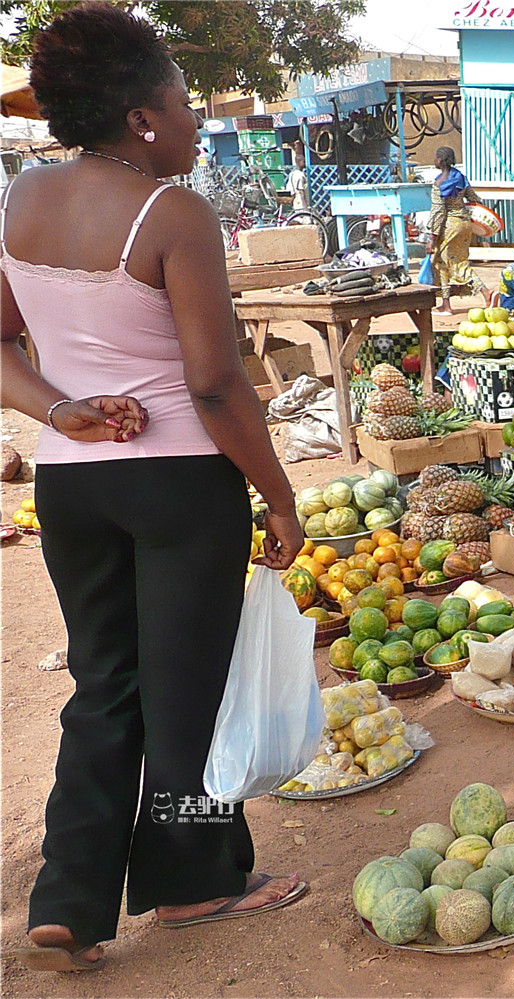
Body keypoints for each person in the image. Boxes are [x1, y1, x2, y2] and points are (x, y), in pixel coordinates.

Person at [0, 3, 306, 973]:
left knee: (103, 685)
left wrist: (60, 410)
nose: (194, 120)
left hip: (73, 488)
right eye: (182, 102)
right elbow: (215, 383)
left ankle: (68, 899)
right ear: (141, 118)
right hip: (179, 484)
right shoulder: (173, 214)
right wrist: (278, 494)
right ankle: (193, 880)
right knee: (188, 692)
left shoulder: (21, 198)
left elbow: (2, 345)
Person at [423, 145, 486, 315]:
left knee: (446, 264)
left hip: (449, 226)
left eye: (435, 157)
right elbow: (474, 198)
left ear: (440, 160)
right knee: (456, 261)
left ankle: (480, 294)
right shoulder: (460, 177)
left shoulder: (439, 183)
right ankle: (448, 303)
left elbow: (438, 213)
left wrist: (431, 238)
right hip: (464, 224)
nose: (434, 159)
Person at [285, 141, 309, 211]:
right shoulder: (300, 175)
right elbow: (301, 191)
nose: (304, 164)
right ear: (298, 162)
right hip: (301, 202)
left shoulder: (292, 174)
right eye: (303, 162)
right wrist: (305, 206)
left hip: (295, 202)